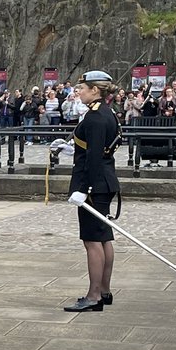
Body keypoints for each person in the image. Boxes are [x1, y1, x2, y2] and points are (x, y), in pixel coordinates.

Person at [64, 70, 122, 313]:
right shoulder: (106, 113)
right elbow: (95, 149)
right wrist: (70, 150)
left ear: (95, 90)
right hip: (103, 182)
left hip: (93, 186)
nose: (79, 92)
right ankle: (104, 290)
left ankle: (94, 295)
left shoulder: (96, 117)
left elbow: (95, 157)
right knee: (103, 238)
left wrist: (83, 189)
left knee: (92, 241)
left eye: (83, 88)